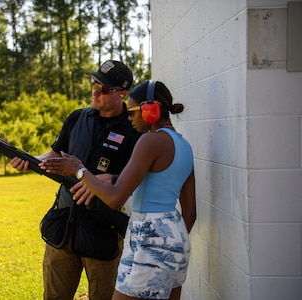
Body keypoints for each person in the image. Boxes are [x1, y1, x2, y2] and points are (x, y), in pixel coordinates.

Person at [39, 80, 196, 300]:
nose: (129, 118)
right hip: (176, 236)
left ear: (150, 110)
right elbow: (190, 213)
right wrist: (168, 243)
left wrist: (80, 170)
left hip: (148, 235)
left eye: (132, 111)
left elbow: (114, 198)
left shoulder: (149, 141)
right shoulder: (184, 145)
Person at [11, 60, 142, 300]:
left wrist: (110, 178)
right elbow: (53, 156)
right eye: (94, 83)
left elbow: (138, 177)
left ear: (122, 94)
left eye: (103, 89)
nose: (94, 91)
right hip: (64, 226)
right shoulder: (76, 118)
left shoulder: (133, 129)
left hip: (103, 230)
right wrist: (27, 161)